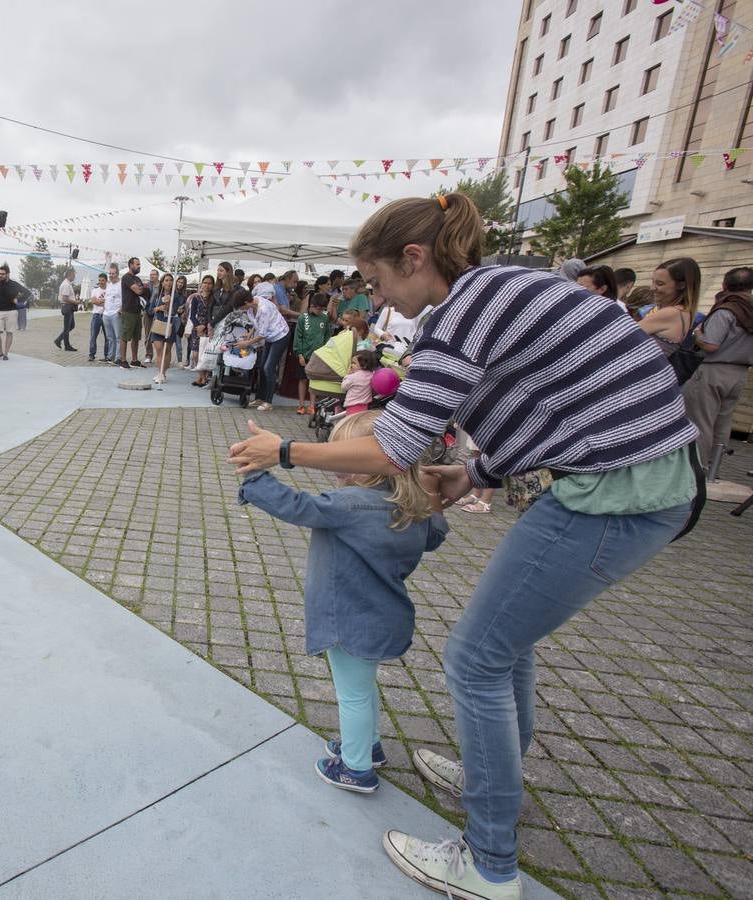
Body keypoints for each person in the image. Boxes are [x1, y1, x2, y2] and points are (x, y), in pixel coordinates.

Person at [228, 192, 700, 900]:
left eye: (379, 280)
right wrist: (477, 471)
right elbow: (555, 401)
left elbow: (391, 446)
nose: (377, 295)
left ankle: (487, 864)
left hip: (617, 495)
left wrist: (285, 449)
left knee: (475, 659)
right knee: (504, 647)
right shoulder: (514, 287)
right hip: (641, 479)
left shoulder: (461, 315)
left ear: (415, 258)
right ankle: (494, 773)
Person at [238, 410, 446, 793]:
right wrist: (431, 489)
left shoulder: (350, 504)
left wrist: (255, 476)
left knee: (351, 694)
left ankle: (355, 768)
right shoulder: (414, 511)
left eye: (346, 458)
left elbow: (298, 507)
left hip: (349, 617)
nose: (338, 466)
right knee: (363, 688)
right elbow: (437, 534)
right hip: (385, 616)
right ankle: (367, 746)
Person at [683, 265, 753, 477]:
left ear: (725, 285)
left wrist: (697, 335)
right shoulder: (750, 311)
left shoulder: (727, 310)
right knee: (723, 423)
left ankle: (696, 469)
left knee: (701, 421)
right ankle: (714, 469)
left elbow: (711, 344)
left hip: (713, 370)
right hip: (739, 372)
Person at [639, 258, 699, 358]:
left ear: (681, 285)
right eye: (653, 282)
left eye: (660, 284)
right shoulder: (685, 313)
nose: (652, 288)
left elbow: (622, 336)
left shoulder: (671, 313)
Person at [248, 285, 291, 412]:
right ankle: (260, 398)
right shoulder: (252, 306)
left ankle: (268, 401)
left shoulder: (264, 308)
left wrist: (247, 343)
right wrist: (250, 333)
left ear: (247, 302)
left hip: (280, 335)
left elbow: (262, 334)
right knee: (262, 366)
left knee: (269, 367)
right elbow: (256, 323)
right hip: (270, 337)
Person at [294, 292, 331, 415]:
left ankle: (312, 405)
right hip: (304, 354)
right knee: (303, 379)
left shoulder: (325, 317)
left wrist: (325, 353)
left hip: (318, 355)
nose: (320, 311)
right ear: (312, 306)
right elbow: (298, 337)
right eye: (318, 308)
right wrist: (299, 354)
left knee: (314, 380)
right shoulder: (303, 318)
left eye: (322, 309)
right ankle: (301, 404)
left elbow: (327, 336)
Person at [0, 264, 25, 360]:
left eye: (3, 274)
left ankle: (6, 353)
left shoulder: (14, 284)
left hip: (11, 311)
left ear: (8, 274)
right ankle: (0, 351)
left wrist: (18, 299)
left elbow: (26, 292)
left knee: (9, 332)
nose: (0, 275)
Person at [119, 256, 147, 368]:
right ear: (131, 265)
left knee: (136, 337)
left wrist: (141, 288)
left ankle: (134, 360)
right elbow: (139, 290)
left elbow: (141, 290)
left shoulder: (137, 279)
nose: (139, 266)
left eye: (139, 264)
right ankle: (123, 360)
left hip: (137, 312)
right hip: (128, 311)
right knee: (125, 337)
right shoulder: (126, 277)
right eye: (137, 264)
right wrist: (141, 288)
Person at [150, 273, 178, 384]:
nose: (169, 282)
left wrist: (169, 303)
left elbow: (175, 311)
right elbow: (150, 310)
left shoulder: (176, 296)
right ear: (162, 282)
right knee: (159, 349)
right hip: (158, 325)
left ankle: (163, 373)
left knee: (167, 351)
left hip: (170, 325)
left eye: (171, 280)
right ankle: (160, 373)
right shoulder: (157, 295)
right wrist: (158, 308)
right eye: (166, 280)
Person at [188, 275, 212, 379]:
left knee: (206, 354)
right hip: (197, 327)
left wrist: (205, 326)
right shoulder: (196, 298)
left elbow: (211, 314)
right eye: (205, 282)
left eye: (210, 283)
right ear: (201, 284)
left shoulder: (213, 298)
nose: (207, 285)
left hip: (209, 326)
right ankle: (201, 376)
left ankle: (204, 378)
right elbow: (192, 315)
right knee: (195, 354)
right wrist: (198, 326)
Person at [341, 349, 379, 415]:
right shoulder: (372, 375)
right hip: (365, 406)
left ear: (364, 365)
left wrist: (347, 375)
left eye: (354, 363)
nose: (351, 365)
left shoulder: (353, 377)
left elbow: (343, 387)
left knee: (350, 422)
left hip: (352, 405)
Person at [87, 272, 112, 361]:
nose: (101, 282)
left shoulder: (109, 290)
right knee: (93, 336)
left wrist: (100, 301)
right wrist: (103, 301)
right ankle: (91, 354)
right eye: (99, 280)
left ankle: (107, 355)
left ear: (106, 281)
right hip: (96, 315)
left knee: (107, 337)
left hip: (106, 315)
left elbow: (109, 302)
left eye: (103, 280)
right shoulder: (95, 290)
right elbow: (94, 302)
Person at [102, 263, 123, 363]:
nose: (111, 275)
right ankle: (111, 356)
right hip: (106, 314)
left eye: (113, 273)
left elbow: (125, 299)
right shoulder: (109, 285)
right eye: (110, 273)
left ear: (117, 274)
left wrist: (120, 310)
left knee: (118, 337)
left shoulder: (121, 284)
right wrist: (104, 311)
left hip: (116, 313)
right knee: (110, 337)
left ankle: (119, 357)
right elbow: (106, 298)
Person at [54, 268, 79, 351]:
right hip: (67, 306)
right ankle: (66, 345)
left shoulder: (67, 283)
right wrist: (75, 302)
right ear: (70, 274)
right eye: (74, 275)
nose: (74, 277)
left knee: (71, 326)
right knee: (67, 327)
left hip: (68, 307)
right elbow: (65, 298)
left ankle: (59, 340)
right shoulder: (66, 285)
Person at [142, 267, 161, 362]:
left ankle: (160, 355)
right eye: (151, 274)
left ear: (158, 276)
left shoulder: (161, 286)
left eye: (154, 274)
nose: (152, 276)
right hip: (148, 311)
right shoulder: (147, 285)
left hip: (158, 312)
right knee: (147, 334)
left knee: (159, 334)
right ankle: (148, 355)